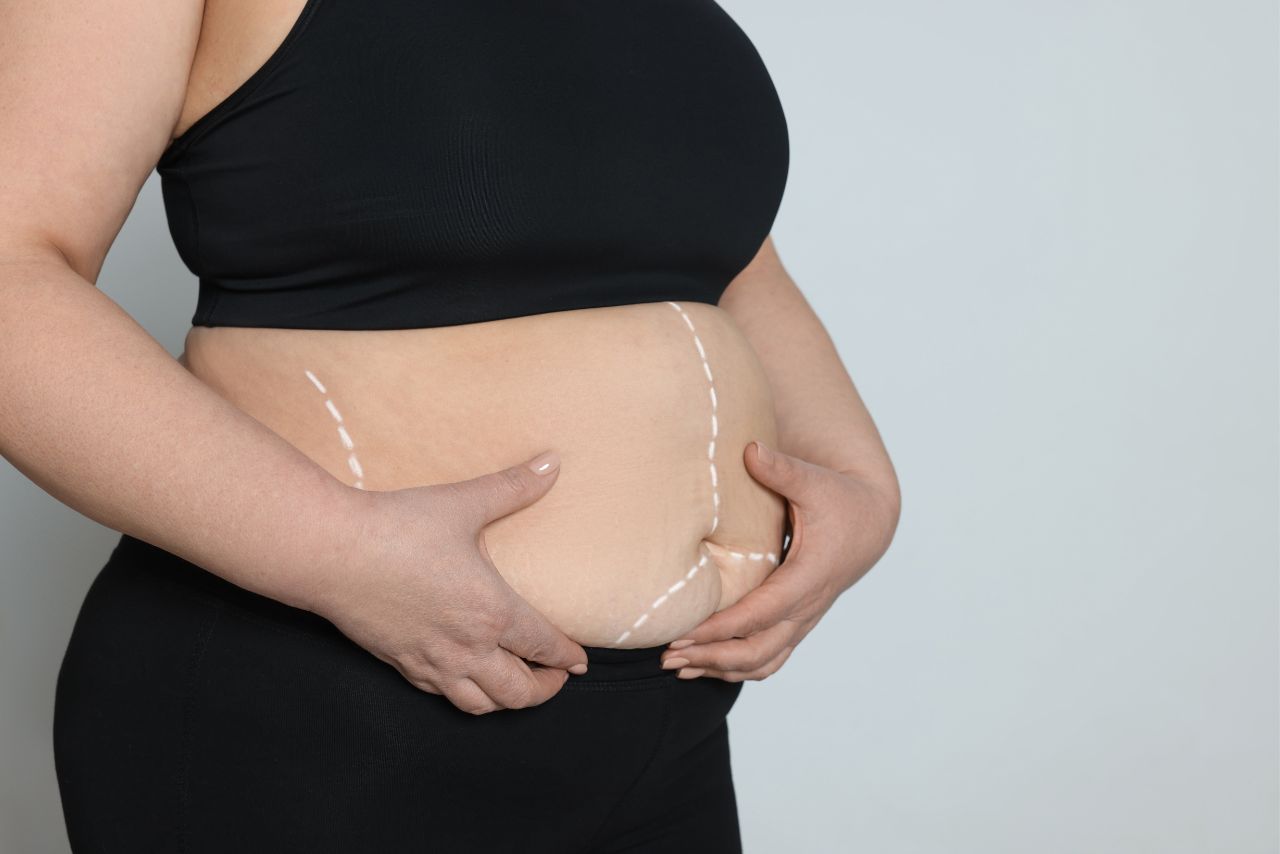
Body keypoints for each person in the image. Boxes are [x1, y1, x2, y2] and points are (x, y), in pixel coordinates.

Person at [0, 0, 901, 850]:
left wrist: (861, 480)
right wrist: (339, 549)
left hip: (670, 726)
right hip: (317, 717)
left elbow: (723, 258)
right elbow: (13, 279)